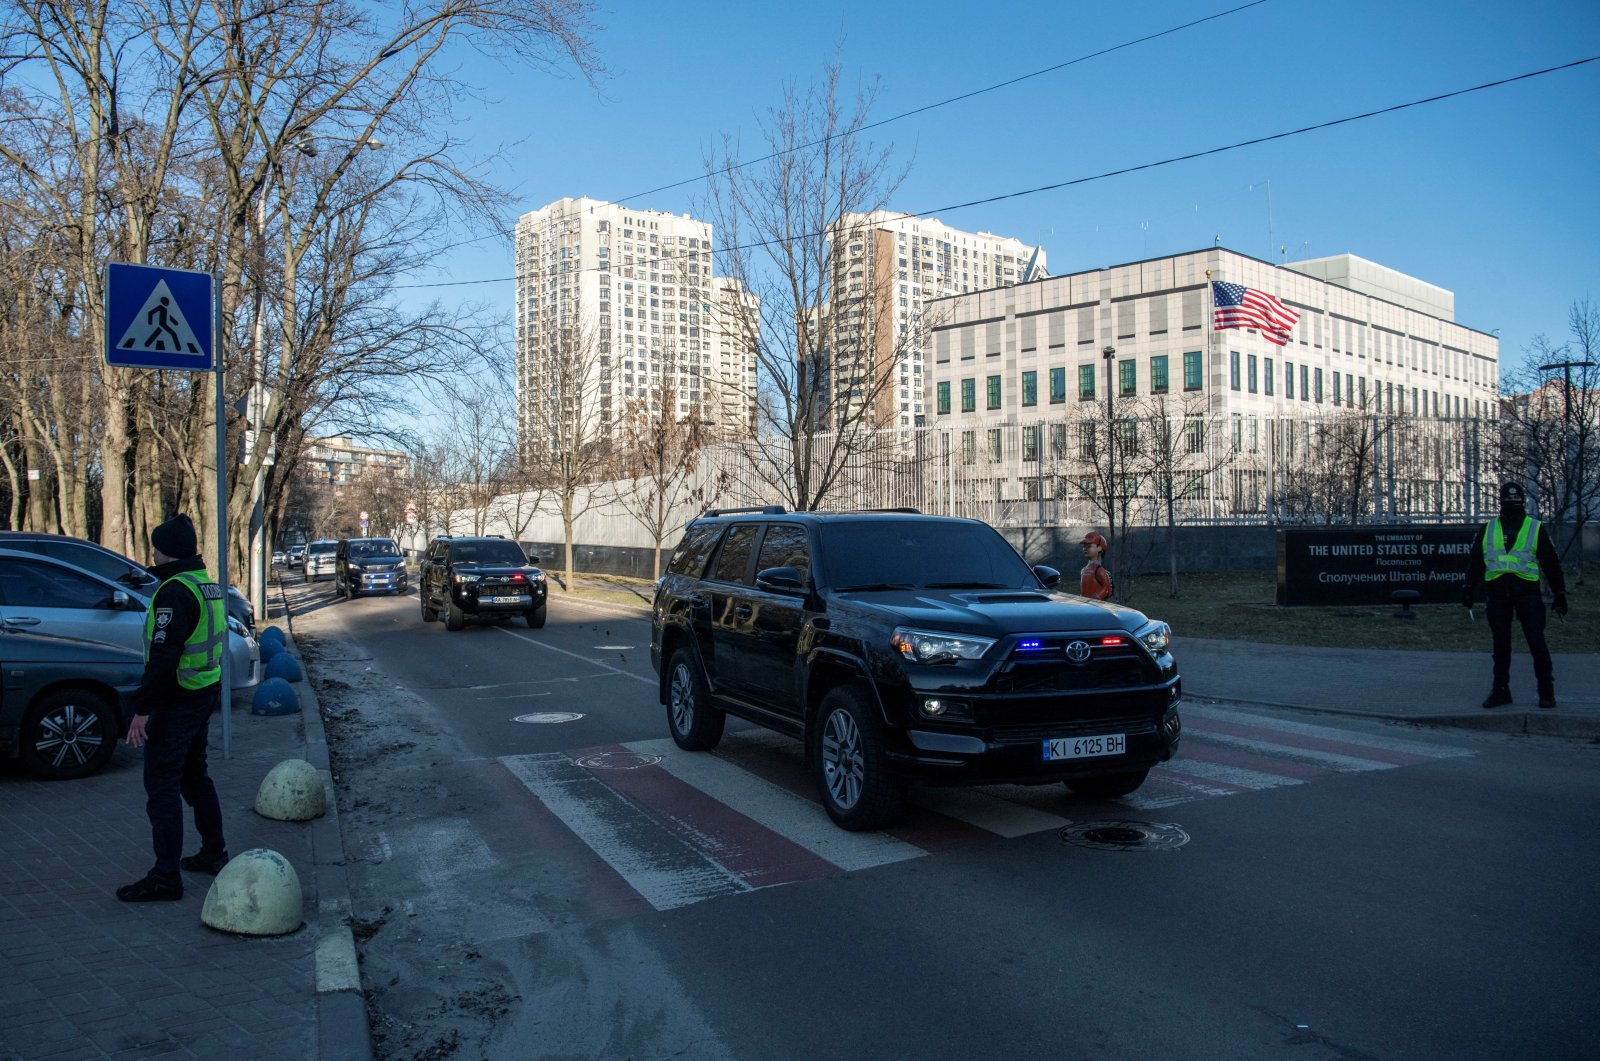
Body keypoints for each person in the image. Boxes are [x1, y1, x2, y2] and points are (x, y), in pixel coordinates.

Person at [116, 514, 230, 902]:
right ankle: (214, 852)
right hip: (202, 692)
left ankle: (166, 876)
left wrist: (142, 709)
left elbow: (165, 656)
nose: (154, 553)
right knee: (194, 775)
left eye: (156, 547)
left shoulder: (175, 591)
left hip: (177, 698)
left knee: (162, 783)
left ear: (166, 551)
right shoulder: (205, 584)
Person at [1462, 482, 1569, 711]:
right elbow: (1476, 561)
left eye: (1516, 499)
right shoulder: (1488, 529)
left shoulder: (1534, 527)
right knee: (1501, 646)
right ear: (1501, 502)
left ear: (1522, 501)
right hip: (1498, 596)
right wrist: (1468, 586)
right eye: (1509, 500)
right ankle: (1501, 691)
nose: (1513, 503)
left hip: (1528, 595)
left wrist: (1560, 593)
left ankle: (1546, 691)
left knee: (1536, 643)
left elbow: (1551, 563)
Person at [1079, 531, 1113, 601]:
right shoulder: (1084, 570)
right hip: (1085, 607)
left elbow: (1107, 589)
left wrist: (1094, 599)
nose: (1085, 548)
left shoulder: (1099, 570)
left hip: (1095, 608)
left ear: (1099, 548)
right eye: (1084, 546)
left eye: (1089, 546)